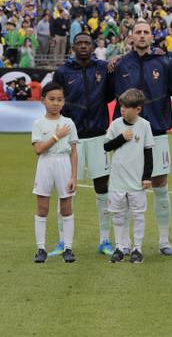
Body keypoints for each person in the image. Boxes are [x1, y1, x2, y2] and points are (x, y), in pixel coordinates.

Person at [112, 21, 172, 256]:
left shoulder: (165, 63)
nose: (142, 35)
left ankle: (164, 241)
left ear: (152, 37)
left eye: (146, 32)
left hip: (157, 133)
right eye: (138, 32)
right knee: (126, 189)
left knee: (160, 185)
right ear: (131, 37)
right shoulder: (120, 64)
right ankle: (124, 243)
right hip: (127, 135)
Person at [51, 32, 115, 257]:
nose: (84, 46)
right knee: (66, 189)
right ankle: (63, 241)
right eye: (79, 43)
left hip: (98, 136)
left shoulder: (103, 69)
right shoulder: (62, 72)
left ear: (93, 46)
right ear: (73, 47)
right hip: (72, 139)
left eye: (87, 43)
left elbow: (109, 95)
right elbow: (56, 101)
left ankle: (105, 240)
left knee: (102, 188)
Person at [104, 88, 155, 264]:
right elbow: (106, 146)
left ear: (138, 109)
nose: (122, 110)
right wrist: (121, 138)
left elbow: (148, 153)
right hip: (117, 180)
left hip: (136, 181)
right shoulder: (116, 124)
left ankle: (137, 249)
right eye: (121, 107)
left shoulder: (145, 125)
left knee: (138, 215)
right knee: (118, 215)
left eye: (126, 107)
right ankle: (120, 247)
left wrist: (147, 176)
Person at [31, 82, 78, 264]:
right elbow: (39, 149)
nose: (55, 103)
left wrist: (73, 176)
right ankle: (41, 249)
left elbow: (74, 152)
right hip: (46, 163)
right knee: (42, 207)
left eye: (59, 99)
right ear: (43, 100)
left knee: (66, 208)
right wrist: (57, 136)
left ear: (64, 102)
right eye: (51, 99)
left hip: (63, 163)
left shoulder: (69, 123)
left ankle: (68, 248)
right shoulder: (38, 123)